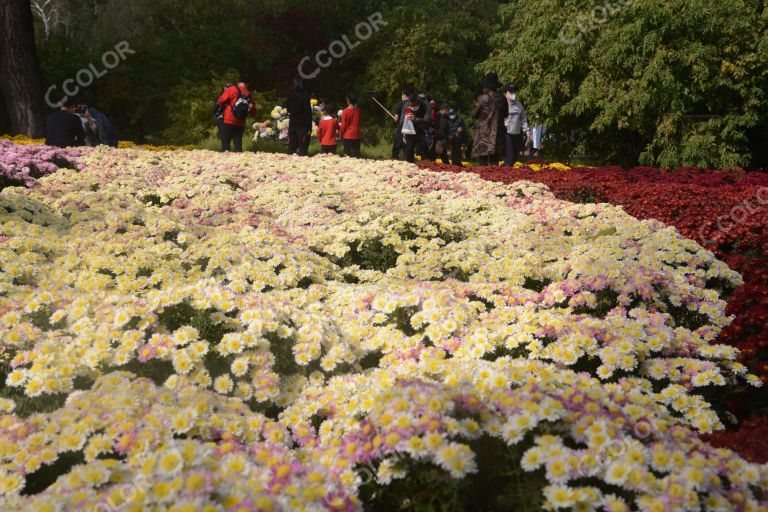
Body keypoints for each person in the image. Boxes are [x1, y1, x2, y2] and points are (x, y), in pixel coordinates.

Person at [472, 72, 508, 166]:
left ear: (486, 87)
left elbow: (474, 114)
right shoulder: (502, 98)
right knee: (494, 161)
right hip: (497, 133)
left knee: (482, 161)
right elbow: (506, 114)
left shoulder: (482, 98)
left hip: (483, 134)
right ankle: (494, 179)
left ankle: (482, 179)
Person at [216, 75, 255, 152]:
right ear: (247, 84)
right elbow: (253, 112)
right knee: (238, 148)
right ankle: (239, 162)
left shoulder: (232, 89)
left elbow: (220, 102)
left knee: (225, 147)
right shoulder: (249, 94)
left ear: (238, 82)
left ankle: (225, 163)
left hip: (228, 121)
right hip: (240, 124)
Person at [503, 84, 529, 167]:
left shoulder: (519, 105)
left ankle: (505, 171)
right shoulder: (502, 104)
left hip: (517, 134)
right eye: (510, 92)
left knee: (515, 157)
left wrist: (527, 131)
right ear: (505, 94)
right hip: (506, 134)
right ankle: (506, 174)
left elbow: (523, 119)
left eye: (514, 91)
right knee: (510, 158)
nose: (513, 93)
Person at [286, 78, 313, 156]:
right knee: (303, 147)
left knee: (291, 146)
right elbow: (308, 112)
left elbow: (288, 109)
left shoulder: (290, 94)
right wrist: (309, 127)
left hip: (293, 123)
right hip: (303, 125)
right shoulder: (304, 95)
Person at [403, 93, 432, 163]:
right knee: (409, 149)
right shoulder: (407, 104)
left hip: (421, 129)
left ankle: (425, 165)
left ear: (417, 101)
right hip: (410, 130)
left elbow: (427, 120)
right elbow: (402, 118)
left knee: (424, 148)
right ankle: (409, 164)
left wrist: (416, 119)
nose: (411, 104)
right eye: (410, 103)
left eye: (414, 103)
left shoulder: (425, 106)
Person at [391, 85, 413, 160]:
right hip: (410, 128)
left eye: (402, 94)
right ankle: (408, 160)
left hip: (401, 127)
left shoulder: (400, 104)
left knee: (397, 145)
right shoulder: (412, 103)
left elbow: (396, 118)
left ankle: (394, 158)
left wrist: (395, 119)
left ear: (404, 95)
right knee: (408, 147)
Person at [340, 93, 362, 158]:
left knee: (347, 155)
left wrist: (341, 134)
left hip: (348, 135)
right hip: (357, 135)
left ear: (348, 101)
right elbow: (359, 121)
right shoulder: (358, 110)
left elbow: (343, 125)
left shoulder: (345, 111)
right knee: (357, 155)